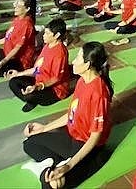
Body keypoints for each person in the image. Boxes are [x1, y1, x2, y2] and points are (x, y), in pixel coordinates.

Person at [22, 42, 113, 189]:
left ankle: (52, 167)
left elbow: (95, 137)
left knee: (52, 184)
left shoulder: (99, 93)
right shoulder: (82, 82)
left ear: (87, 64)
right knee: (30, 142)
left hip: (87, 146)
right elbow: (71, 114)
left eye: (77, 58)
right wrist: (44, 128)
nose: (73, 62)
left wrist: (69, 166)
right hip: (71, 136)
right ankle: (53, 165)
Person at [6, 19, 71, 112]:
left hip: (54, 90)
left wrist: (39, 86)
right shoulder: (47, 46)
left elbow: (56, 78)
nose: (44, 35)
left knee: (30, 95)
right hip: (39, 80)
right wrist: (18, 74)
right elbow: (36, 69)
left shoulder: (60, 53)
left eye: (47, 33)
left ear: (56, 35)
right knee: (13, 82)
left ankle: (31, 99)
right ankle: (31, 98)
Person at [0, 0, 37, 77]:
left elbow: (17, 48)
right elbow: (7, 37)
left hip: (18, 60)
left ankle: (3, 70)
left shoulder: (27, 25)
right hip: (7, 53)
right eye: (16, 5)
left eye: (19, 6)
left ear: (27, 9)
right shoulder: (17, 19)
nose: (15, 7)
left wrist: (3, 61)